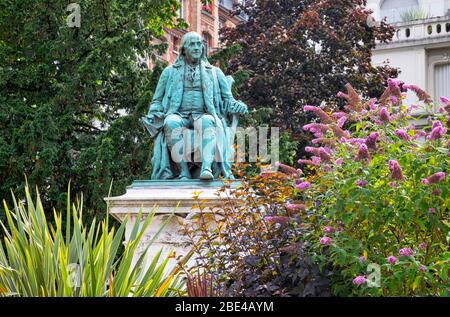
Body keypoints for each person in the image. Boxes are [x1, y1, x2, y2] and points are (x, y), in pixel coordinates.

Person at [143, 31, 248, 180]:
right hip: (179, 115)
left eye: (199, 44)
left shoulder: (215, 72)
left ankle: (206, 169)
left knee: (207, 121)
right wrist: (154, 113)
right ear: (184, 49)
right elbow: (156, 100)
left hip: (204, 114)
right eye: (192, 44)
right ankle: (183, 172)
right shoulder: (169, 72)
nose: (197, 47)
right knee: (170, 122)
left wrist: (239, 105)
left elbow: (229, 100)